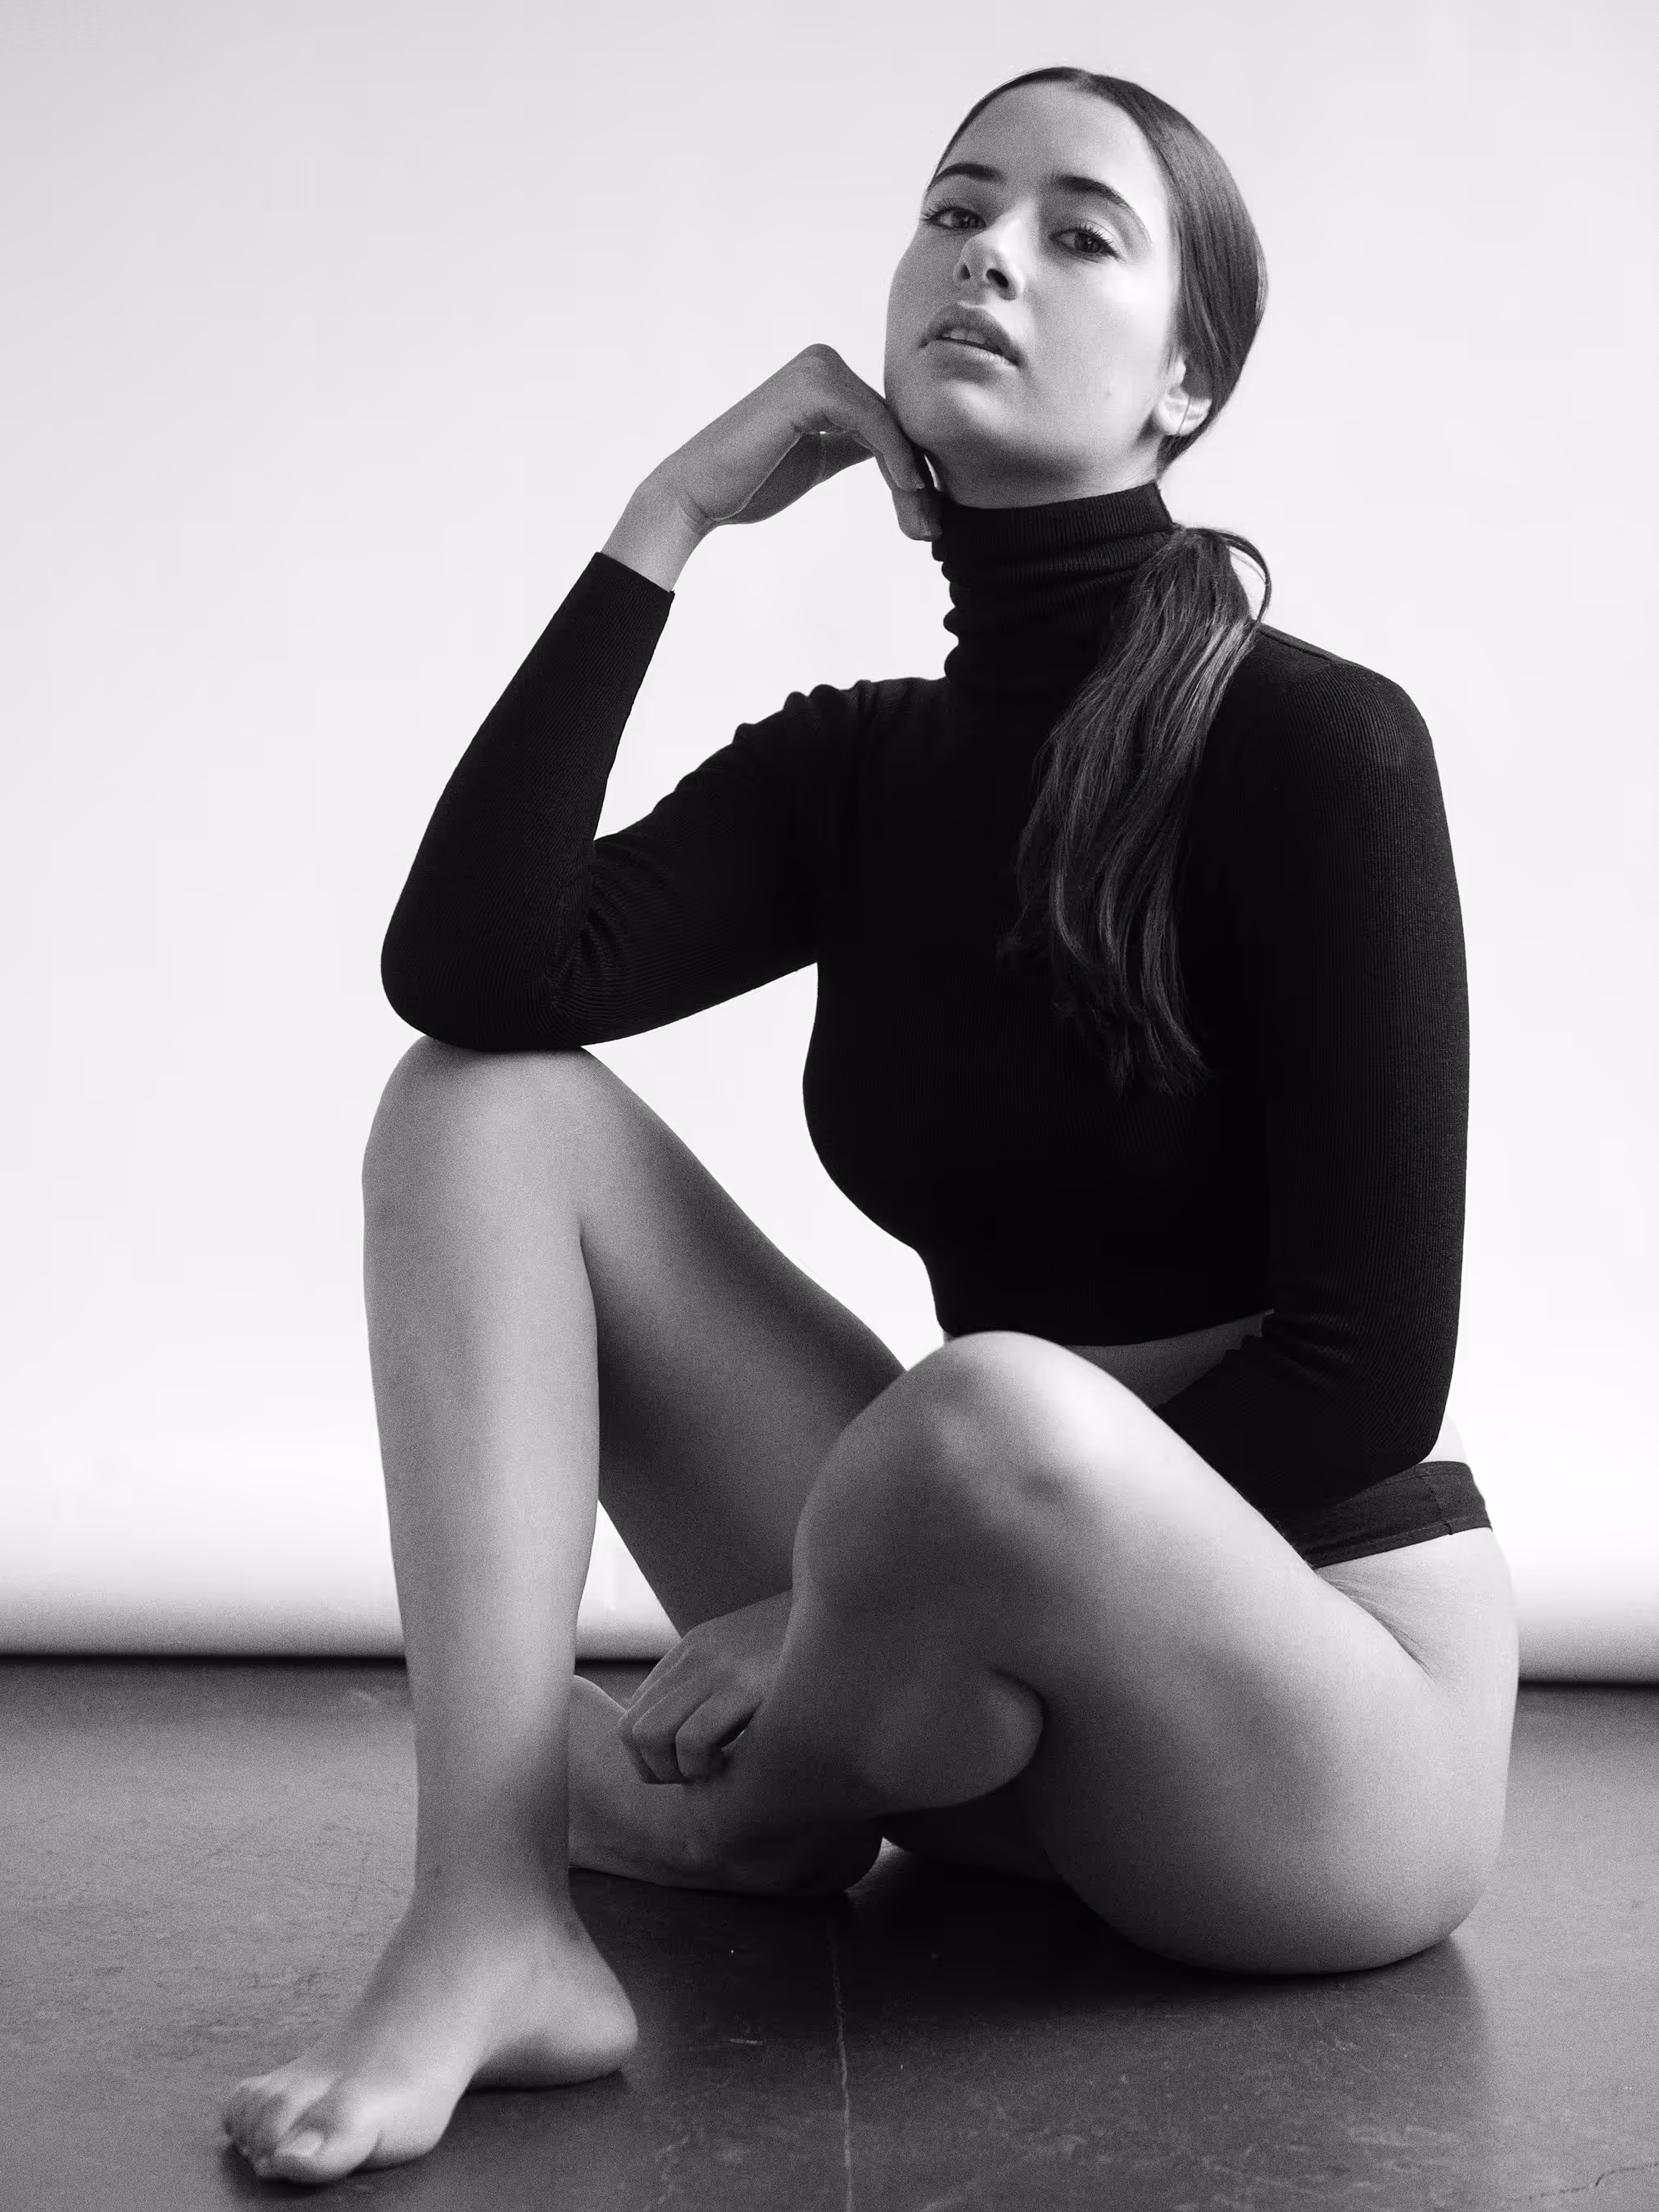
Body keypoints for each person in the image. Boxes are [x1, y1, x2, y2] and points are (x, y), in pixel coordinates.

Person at [222, 65, 1520, 2187]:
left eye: (1079, 232)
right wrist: (668, 513)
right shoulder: (860, 774)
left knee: (983, 1413)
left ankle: (750, 1808)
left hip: (1313, 1726)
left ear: (1188, 383)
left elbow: (1376, 1363)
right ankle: (491, 1916)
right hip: (956, 1640)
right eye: (954, 209)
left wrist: (828, 1609)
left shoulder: (1316, 744)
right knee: (479, 1116)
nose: (989, 254)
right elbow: (475, 971)